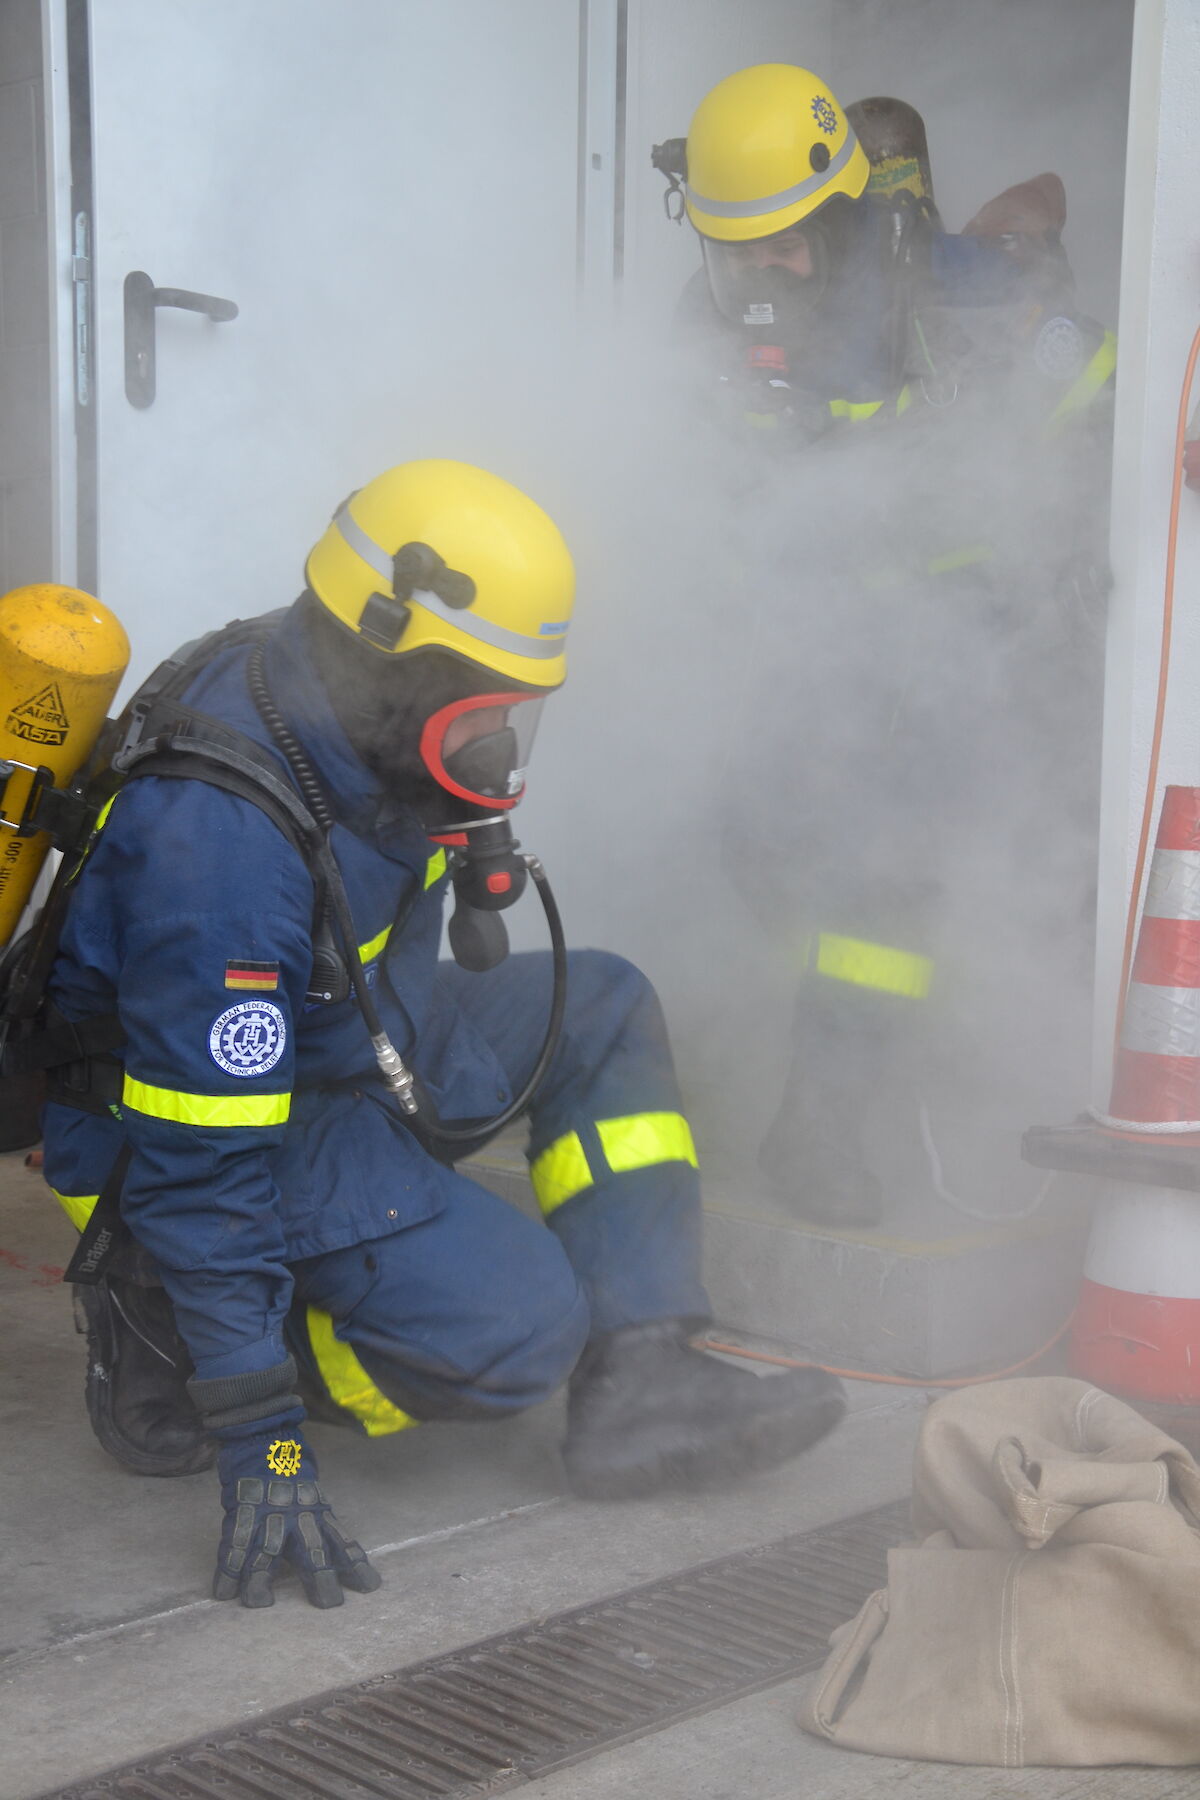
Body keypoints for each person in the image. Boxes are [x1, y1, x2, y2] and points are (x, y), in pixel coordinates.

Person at [41, 459, 844, 1609]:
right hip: (204, 1142)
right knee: (519, 1334)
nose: (500, 748)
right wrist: (259, 1438)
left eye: (514, 714)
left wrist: (461, 838)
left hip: (345, 1044)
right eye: (483, 713)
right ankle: (166, 1335)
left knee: (601, 999)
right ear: (394, 663)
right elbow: (201, 1172)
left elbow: (380, 888)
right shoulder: (217, 853)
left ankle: (645, 1371)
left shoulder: (350, 709)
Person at [653, 66, 1115, 1227]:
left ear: (851, 215)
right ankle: (816, 1048)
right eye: (731, 253)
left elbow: (1102, 391)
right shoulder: (708, 322)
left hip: (962, 641)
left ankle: (830, 1116)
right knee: (753, 842)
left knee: (883, 883)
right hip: (807, 637)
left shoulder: (971, 304)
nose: (756, 282)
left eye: (783, 251)